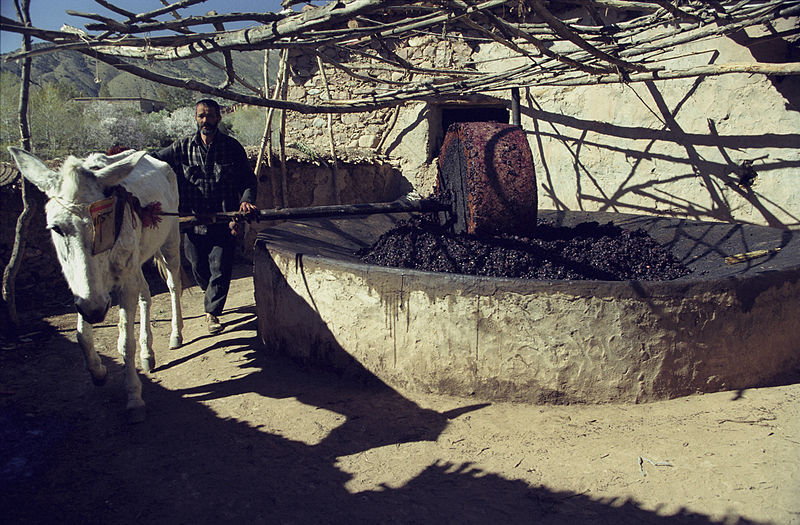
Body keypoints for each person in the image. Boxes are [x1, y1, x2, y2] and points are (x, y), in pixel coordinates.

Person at [154, 99, 258, 335]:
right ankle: (210, 291)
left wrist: (246, 200)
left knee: (220, 266)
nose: (205, 121)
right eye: (201, 116)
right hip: (193, 222)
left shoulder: (231, 147)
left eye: (210, 116)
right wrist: (128, 161)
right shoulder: (182, 147)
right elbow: (154, 159)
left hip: (225, 220)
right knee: (197, 265)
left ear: (218, 119)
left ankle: (212, 313)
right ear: (196, 118)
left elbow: (248, 180)